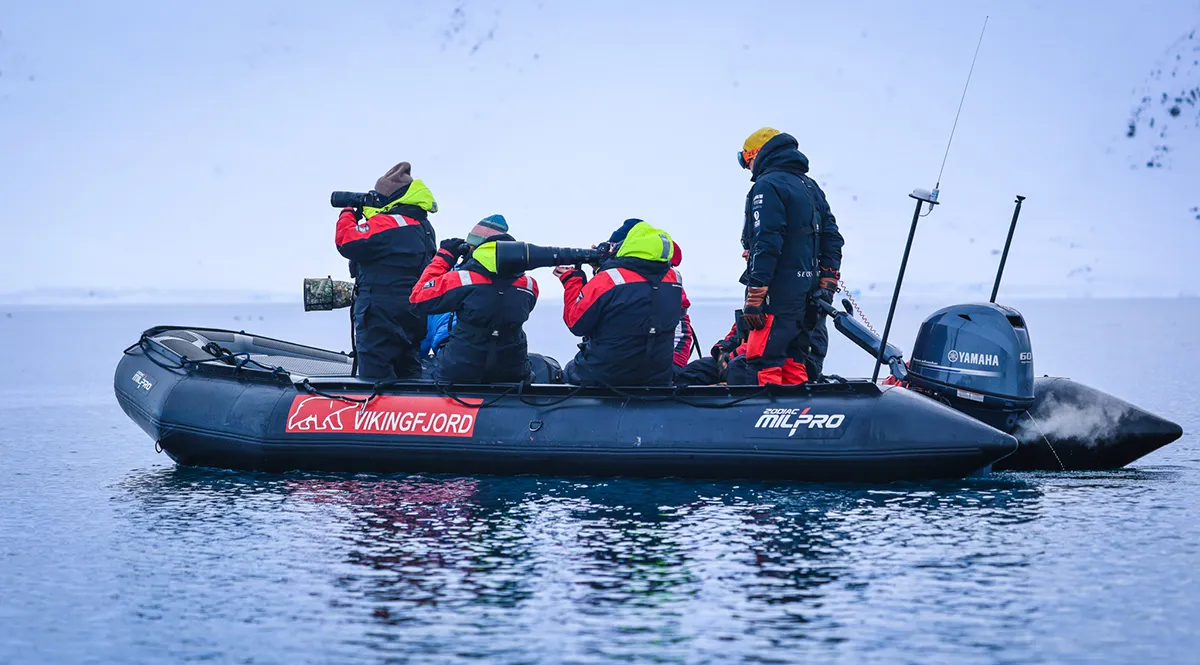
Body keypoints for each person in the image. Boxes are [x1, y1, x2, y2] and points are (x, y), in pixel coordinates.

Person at [736, 127, 844, 385]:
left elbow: (767, 240)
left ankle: (763, 418)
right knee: (794, 359)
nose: (748, 169)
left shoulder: (767, 185)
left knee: (764, 359)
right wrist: (827, 280)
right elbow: (832, 238)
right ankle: (797, 414)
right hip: (808, 294)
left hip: (779, 292)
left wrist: (757, 291)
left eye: (747, 161)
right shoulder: (810, 186)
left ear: (757, 155)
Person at [336, 162, 438, 380]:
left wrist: (347, 211)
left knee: (375, 380)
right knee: (408, 372)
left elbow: (346, 241)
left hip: (380, 318)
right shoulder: (422, 226)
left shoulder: (388, 224)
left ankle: (375, 413)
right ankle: (411, 412)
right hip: (411, 315)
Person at [409, 214, 538, 383]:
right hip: (512, 367)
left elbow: (418, 299)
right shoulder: (527, 285)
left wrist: (443, 258)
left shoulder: (456, 279)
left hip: (459, 365)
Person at [556, 220, 683, 387]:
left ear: (622, 246)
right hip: (658, 378)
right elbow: (634, 292)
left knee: (566, 371)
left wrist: (572, 281)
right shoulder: (674, 279)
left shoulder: (608, 280)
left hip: (605, 377)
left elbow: (577, 323)